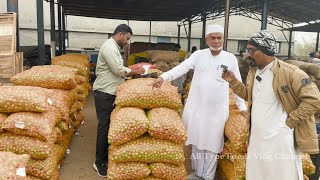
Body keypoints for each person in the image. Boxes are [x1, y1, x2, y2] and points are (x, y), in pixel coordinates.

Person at [150, 24, 247, 180]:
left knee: (212, 144)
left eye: (219, 38)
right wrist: (163, 77)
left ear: (223, 39)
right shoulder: (199, 55)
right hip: (197, 107)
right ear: (207, 39)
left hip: (217, 110)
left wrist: (242, 106)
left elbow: (237, 83)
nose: (216, 41)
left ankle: (207, 176)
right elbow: (182, 68)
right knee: (196, 141)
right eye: (213, 38)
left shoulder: (230, 58)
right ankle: (197, 173)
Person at [222, 30, 320, 180]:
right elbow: (250, 95)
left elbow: (313, 99)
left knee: (282, 174)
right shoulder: (253, 72)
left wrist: (289, 122)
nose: (248, 54)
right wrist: (233, 81)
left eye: (251, 50)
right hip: (256, 137)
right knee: (258, 174)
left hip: (280, 137)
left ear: (266, 50)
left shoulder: (291, 73)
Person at [92, 24, 145, 177]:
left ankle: (106, 156)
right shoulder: (109, 47)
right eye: (127, 38)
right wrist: (135, 71)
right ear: (120, 34)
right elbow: (117, 69)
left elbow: (118, 68)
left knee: (109, 125)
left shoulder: (114, 47)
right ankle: (99, 162)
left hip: (111, 91)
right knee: (104, 126)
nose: (128, 42)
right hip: (104, 92)